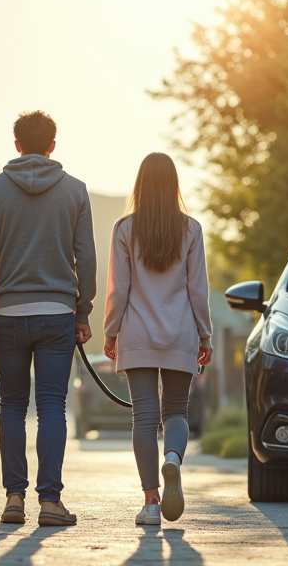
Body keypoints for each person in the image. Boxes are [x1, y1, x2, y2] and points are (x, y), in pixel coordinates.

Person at [0, 110, 97, 527]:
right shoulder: (76, 191)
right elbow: (87, 258)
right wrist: (82, 311)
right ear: (53, 146)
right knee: (51, 407)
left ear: (17, 145)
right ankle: (50, 502)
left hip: (7, 314)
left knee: (11, 404)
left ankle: (13, 499)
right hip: (58, 315)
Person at [102, 151, 213, 527]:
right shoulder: (192, 230)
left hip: (137, 334)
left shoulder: (124, 229)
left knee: (144, 419)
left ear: (140, 185)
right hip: (181, 332)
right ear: (174, 185)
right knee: (177, 411)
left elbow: (119, 291)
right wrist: (205, 333)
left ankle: (151, 504)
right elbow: (198, 290)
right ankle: (173, 459)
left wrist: (110, 330)